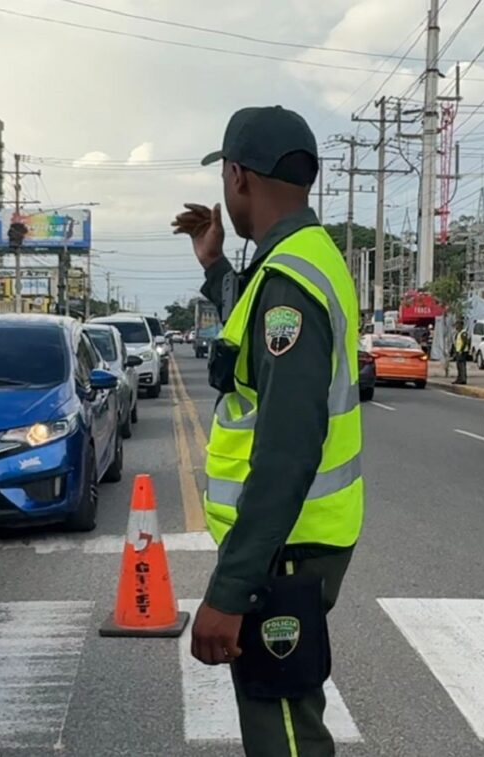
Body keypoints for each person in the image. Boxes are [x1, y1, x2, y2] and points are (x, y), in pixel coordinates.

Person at [172, 106, 364, 757]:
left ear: (238, 176)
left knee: (283, 733)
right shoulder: (298, 260)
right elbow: (252, 345)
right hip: (294, 541)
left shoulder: (289, 279)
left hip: (285, 548)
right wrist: (215, 265)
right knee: (285, 722)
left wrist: (230, 589)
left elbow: (286, 448)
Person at [452, 319, 470, 385]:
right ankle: (459, 379)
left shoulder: (463, 333)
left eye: (458, 325)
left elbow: (465, 342)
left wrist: (461, 350)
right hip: (458, 351)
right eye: (456, 325)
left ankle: (463, 379)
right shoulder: (458, 333)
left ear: (461, 325)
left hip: (462, 352)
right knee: (458, 366)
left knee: (462, 366)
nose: (456, 326)